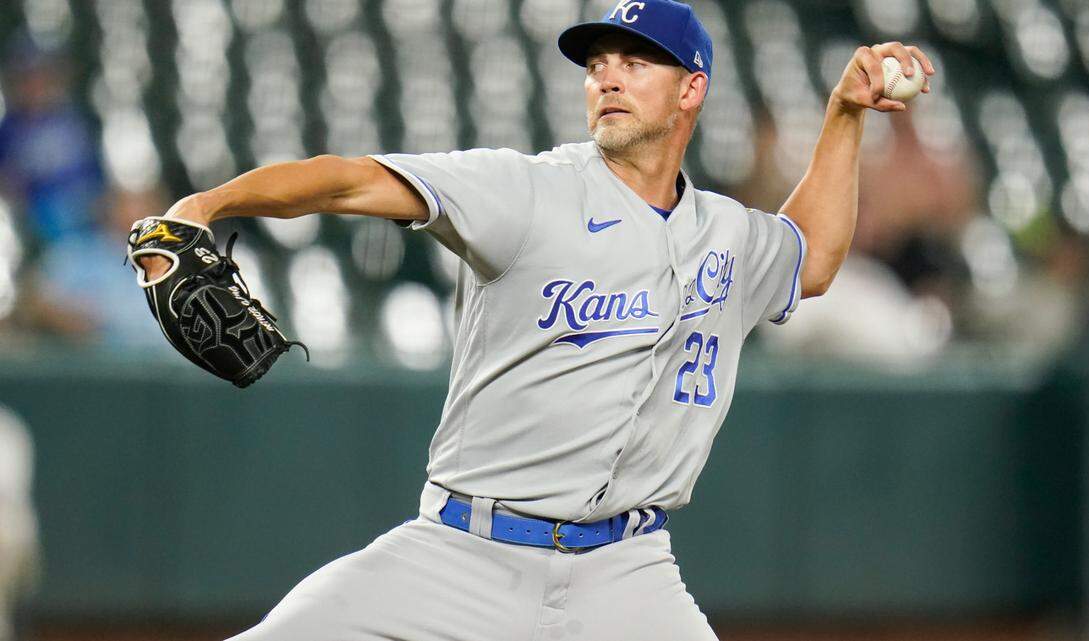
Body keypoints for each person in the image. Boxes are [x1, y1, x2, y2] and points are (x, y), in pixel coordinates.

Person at [136, 2, 934, 639]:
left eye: (635, 61)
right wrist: (206, 204)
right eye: (597, 65)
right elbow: (350, 181)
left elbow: (811, 256)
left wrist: (844, 116)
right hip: (458, 556)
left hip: (627, 575)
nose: (608, 79)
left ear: (692, 88)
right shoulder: (524, 191)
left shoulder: (726, 234)